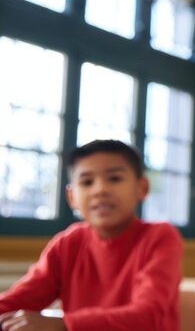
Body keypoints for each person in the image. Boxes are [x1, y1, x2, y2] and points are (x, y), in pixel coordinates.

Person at [0, 139, 183, 331]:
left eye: (114, 178)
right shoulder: (68, 243)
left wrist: (62, 324)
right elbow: (18, 299)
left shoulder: (161, 237)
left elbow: (147, 316)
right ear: (72, 197)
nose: (100, 190)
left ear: (142, 188)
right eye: (87, 182)